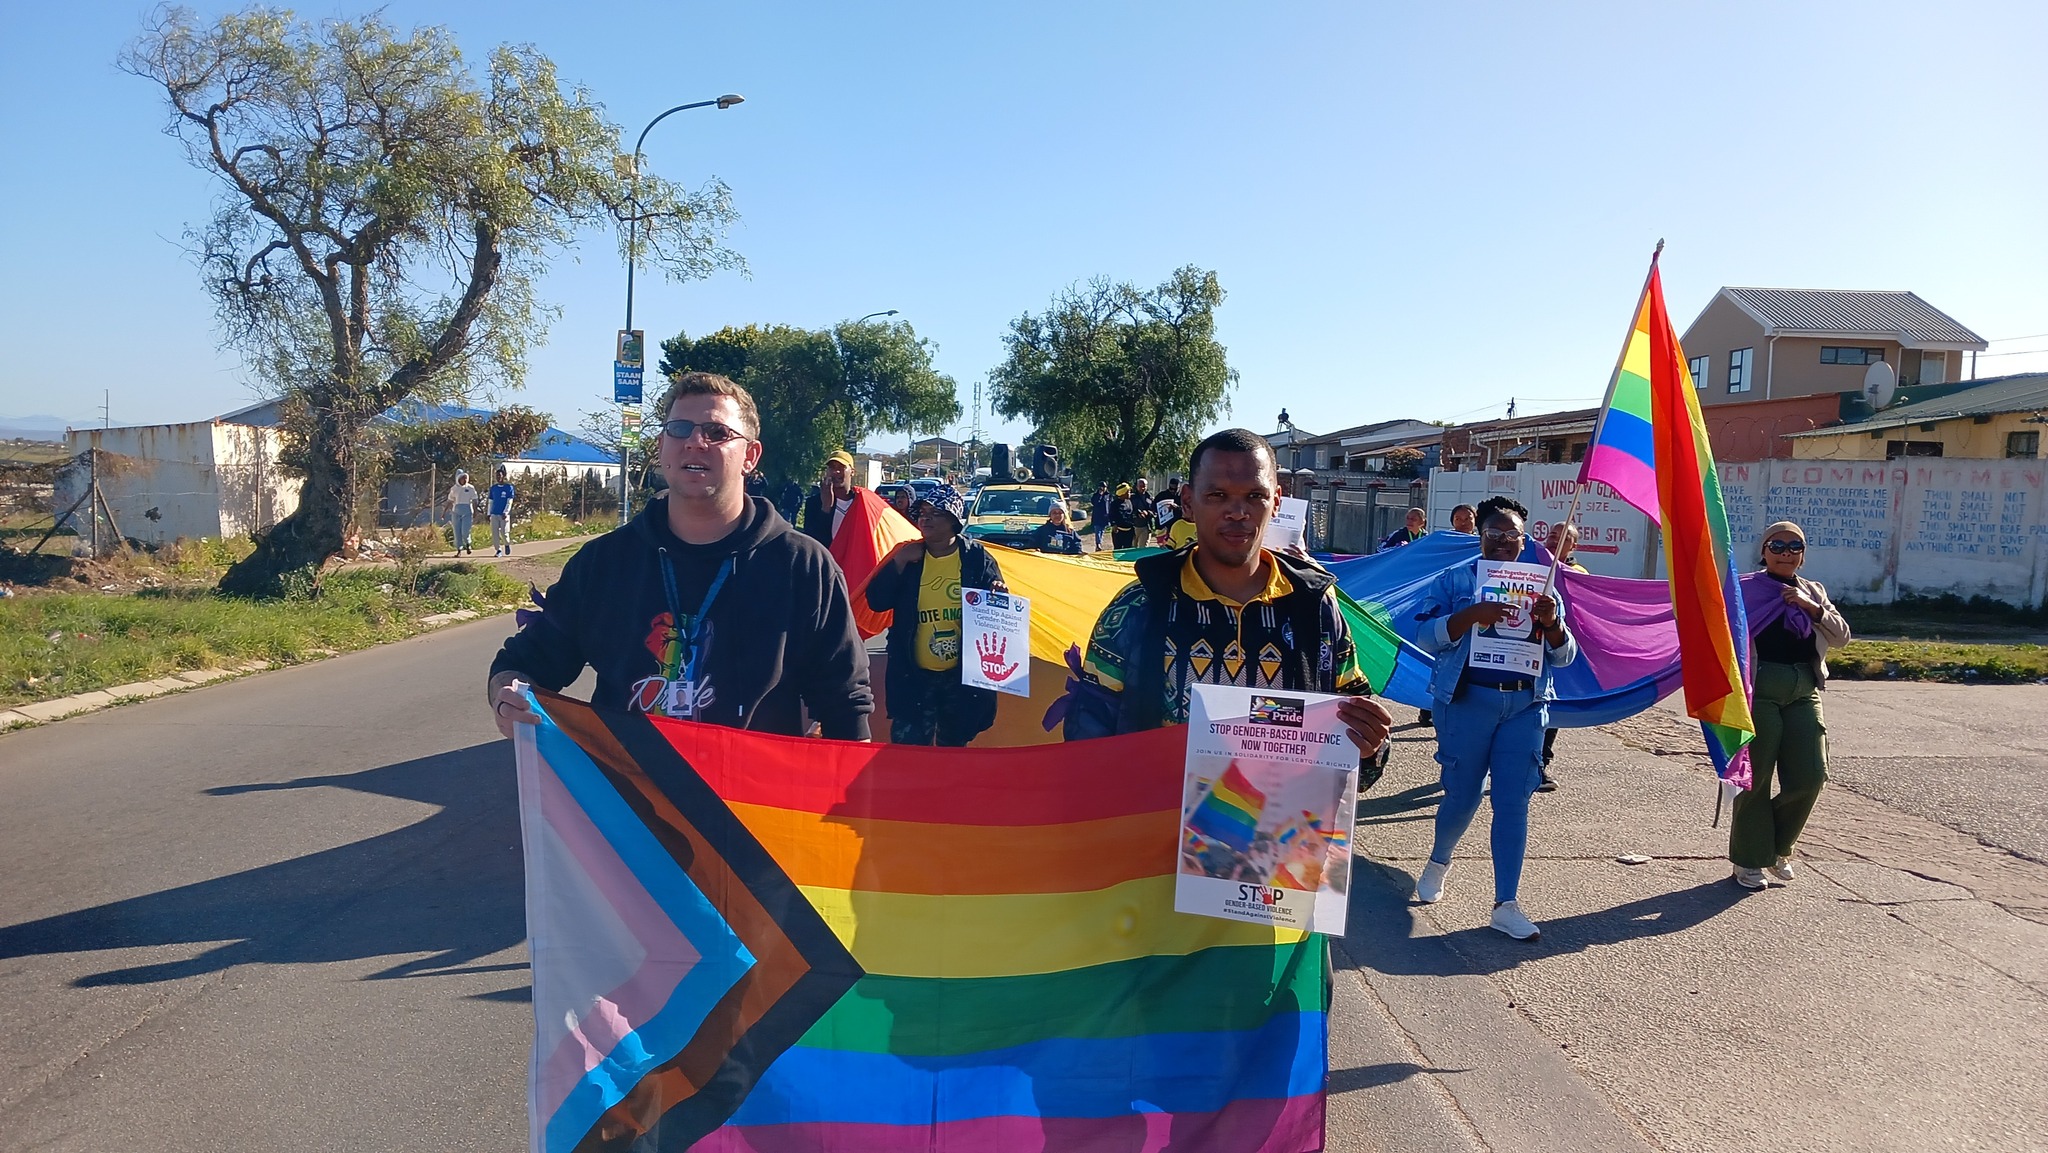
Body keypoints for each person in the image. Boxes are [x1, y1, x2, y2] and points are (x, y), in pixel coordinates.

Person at [486, 372, 873, 741]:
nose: (694, 442)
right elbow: (524, 665)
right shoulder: (602, 563)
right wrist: (507, 697)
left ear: (750, 456)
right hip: (626, 803)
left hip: (749, 804)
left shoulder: (803, 566)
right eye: (680, 429)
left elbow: (844, 702)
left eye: (717, 432)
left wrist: (852, 805)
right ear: (661, 446)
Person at [1065, 428, 1392, 760]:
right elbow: (1087, 735)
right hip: (1157, 811)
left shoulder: (1316, 610)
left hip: (1285, 810)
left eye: (1255, 496)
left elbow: (1355, 737)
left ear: (1276, 502)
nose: (1238, 512)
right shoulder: (1139, 605)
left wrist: (1370, 747)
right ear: (1188, 503)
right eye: (1218, 495)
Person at [1410, 496, 1578, 940]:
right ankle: (1439, 860)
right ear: (1480, 538)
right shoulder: (1454, 580)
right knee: (1462, 795)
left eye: (1513, 536)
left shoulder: (1544, 587)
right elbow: (1424, 634)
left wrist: (1553, 623)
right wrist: (1470, 615)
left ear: (1524, 542)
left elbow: (1564, 656)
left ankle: (1506, 903)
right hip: (1467, 704)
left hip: (1525, 706)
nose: (1504, 543)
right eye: (1495, 535)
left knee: (1513, 802)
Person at [1728, 521, 1851, 891]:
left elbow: (1842, 637)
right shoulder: (1744, 588)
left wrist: (1812, 608)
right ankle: (1749, 861)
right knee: (1758, 777)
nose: (1786, 553)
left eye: (1794, 546)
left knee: (1811, 775)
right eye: (1777, 545)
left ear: (1803, 554)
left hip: (1803, 690)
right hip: (1760, 691)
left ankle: (1778, 848)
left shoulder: (1814, 591)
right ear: (1763, 552)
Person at [866, 487, 1006, 746]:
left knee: (952, 755)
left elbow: (997, 616)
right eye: (922, 513)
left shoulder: (976, 558)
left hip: (959, 682)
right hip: (913, 678)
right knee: (908, 757)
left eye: (935, 513)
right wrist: (898, 563)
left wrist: (998, 593)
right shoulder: (908, 556)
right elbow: (876, 601)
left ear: (953, 520)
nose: (925, 518)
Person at [1536, 521, 1588, 792]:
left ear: (1573, 546)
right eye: (1551, 535)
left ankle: (1539, 766)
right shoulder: (1531, 563)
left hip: (1559, 652)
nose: (1554, 540)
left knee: (1552, 712)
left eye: (1562, 537)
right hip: (1526, 651)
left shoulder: (1578, 574)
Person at [801, 450, 860, 548]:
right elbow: (811, 541)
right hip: (827, 560)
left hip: (853, 561)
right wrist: (826, 508)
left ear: (852, 472)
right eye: (832, 467)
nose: (836, 472)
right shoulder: (814, 503)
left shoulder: (859, 502)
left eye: (841, 467)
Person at [486, 466, 516, 557]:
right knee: (495, 533)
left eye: (500, 475)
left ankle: (507, 544)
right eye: (497, 476)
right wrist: (489, 513)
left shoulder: (508, 487)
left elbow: (509, 501)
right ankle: (498, 550)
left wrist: (505, 512)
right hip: (494, 513)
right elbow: (490, 501)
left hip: (503, 515)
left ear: (503, 476)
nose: (498, 477)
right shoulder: (493, 488)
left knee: (504, 532)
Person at [447, 469, 478, 556]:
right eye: (462, 478)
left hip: (467, 512)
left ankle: (468, 544)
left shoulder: (470, 488)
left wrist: (475, 511)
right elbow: (450, 501)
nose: (464, 480)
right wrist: (444, 512)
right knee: (457, 532)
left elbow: (475, 500)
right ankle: (459, 550)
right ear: (458, 478)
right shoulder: (454, 489)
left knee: (465, 531)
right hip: (456, 512)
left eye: (465, 478)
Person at [1108, 484, 1139, 551]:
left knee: (1128, 550)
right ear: (1123, 493)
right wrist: (1114, 525)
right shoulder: (1115, 504)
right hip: (1119, 531)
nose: (1130, 493)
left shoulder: (1129, 502)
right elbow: (1111, 515)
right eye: (1128, 492)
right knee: (1118, 550)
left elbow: (1131, 513)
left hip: (1129, 531)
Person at [1130, 478, 1156, 548]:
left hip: (1145, 527)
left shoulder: (1150, 498)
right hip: (1133, 527)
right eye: (1140, 486)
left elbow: (1154, 512)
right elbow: (1128, 510)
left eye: (1144, 486)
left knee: (1143, 548)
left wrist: (1147, 513)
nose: (1142, 488)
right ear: (1137, 486)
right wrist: (1137, 513)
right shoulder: (1131, 497)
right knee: (1132, 548)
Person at [1089, 482, 1111, 551]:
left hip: (1105, 517)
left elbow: (1110, 504)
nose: (1103, 488)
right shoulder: (1095, 495)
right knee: (1097, 530)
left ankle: (1099, 543)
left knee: (1102, 531)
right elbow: (1094, 502)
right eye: (1102, 487)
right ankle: (1098, 544)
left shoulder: (1108, 495)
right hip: (1097, 516)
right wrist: (1099, 495)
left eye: (1105, 487)